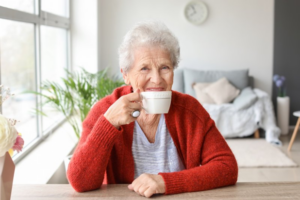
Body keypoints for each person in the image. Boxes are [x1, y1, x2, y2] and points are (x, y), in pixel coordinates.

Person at [67, 21, 238, 198]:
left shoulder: (190, 110)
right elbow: (80, 182)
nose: (156, 80)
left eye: (165, 67)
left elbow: (226, 167)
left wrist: (165, 182)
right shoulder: (105, 110)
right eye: (144, 68)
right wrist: (108, 123)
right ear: (126, 75)